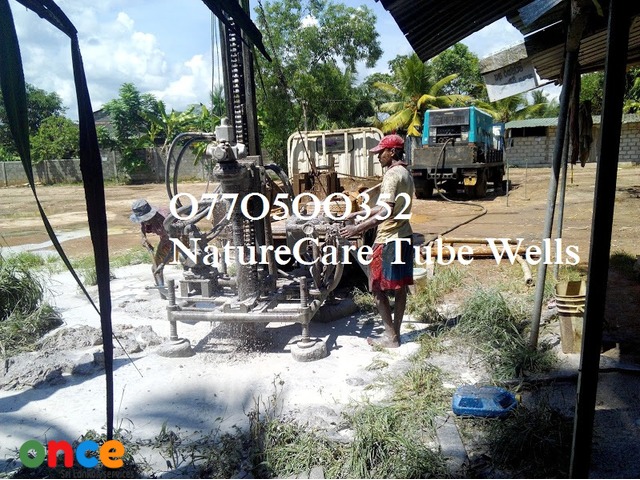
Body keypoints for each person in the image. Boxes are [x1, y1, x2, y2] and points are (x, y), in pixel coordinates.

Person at [339, 134, 415, 348]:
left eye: (381, 152)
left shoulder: (391, 175)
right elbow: (386, 206)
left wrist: (357, 228)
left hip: (388, 239)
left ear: (393, 152)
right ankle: (396, 334)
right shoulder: (406, 173)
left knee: (376, 287)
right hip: (405, 236)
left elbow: (386, 211)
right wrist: (360, 213)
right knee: (400, 288)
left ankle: (390, 337)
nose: (378, 156)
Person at [130, 199, 172, 288]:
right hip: (166, 241)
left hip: (181, 240)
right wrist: (144, 238)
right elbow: (142, 226)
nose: (145, 221)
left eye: (146, 218)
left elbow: (176, 239)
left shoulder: (166, 217)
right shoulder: (145, 220)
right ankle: (162, 290)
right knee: (155, 268)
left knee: (188, 264)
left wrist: (163, 263)